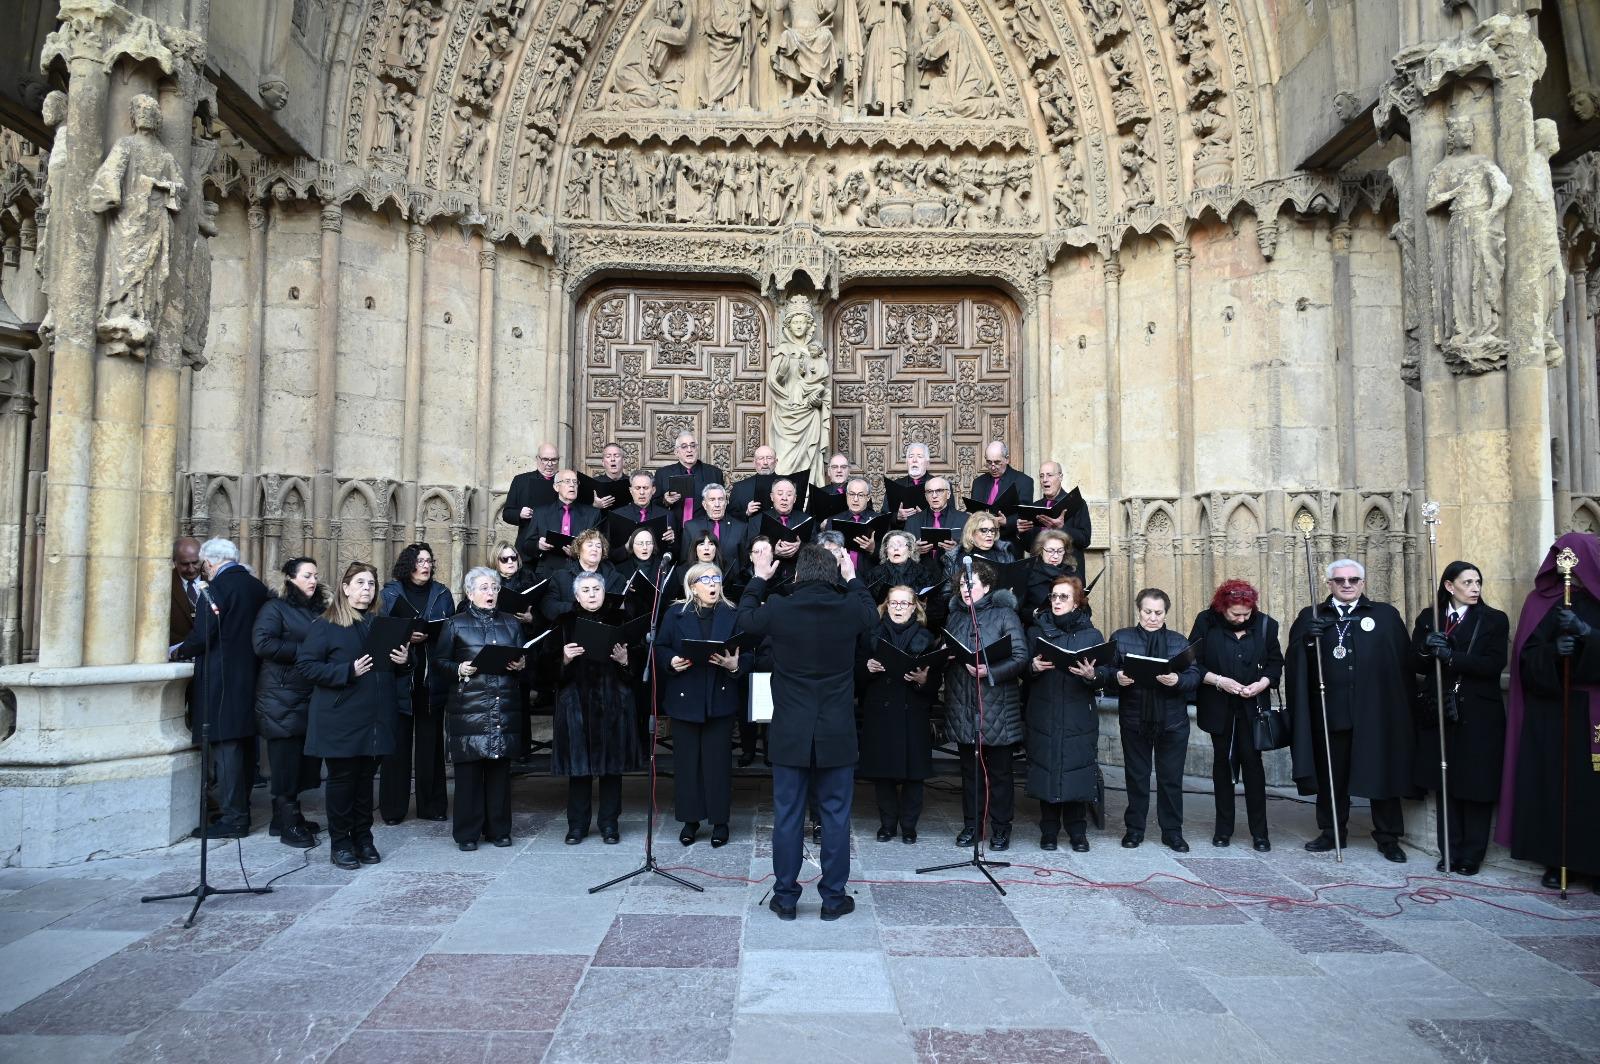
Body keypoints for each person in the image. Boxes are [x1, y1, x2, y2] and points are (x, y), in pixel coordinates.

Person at [737, 543, 877, 920]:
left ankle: (785, 898)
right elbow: (870, 615)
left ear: (797, 574)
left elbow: (746, 621)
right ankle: (833, 899)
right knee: (835, 816)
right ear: (834, 573)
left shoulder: (780, 608)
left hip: (790, 732)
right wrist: (852, 578)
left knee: (787, 816)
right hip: (836, 732)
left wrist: (758, 579)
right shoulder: (850, 608)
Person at [1286, 560, 1415, 862]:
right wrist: (1306, 641)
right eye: (1340, 580)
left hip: (1375, 714)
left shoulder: (1384, 615)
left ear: (1363, 582)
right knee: (1332, 776)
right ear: (1328, 583)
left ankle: (1388, 837)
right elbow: (1292, 664)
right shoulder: (1311, 616)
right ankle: (1332, 832)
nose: (1347, 584)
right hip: (1331, 713)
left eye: (1353, 579)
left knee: (1381, 775)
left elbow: (1402, 665)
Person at [1498, 533, 1600, 890]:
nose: (1563, 562)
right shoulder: (1540, 603)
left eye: (1570, 555)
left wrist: (1587, 635)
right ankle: (1558, 861)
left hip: (1594, 708)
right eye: (1558, 555)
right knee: (1554, 787)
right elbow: (1527, 659)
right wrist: (1555, 652)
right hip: (1553, 711)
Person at [297, 561, 411, 869]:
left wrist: (403, 661)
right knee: (342, 782)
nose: (366, 589)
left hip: (374, 718)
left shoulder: (379, 624)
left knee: (364, 783)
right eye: (360, 582)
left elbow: (390, 671)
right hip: (340, 718)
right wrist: (346, 670)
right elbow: (306, 666)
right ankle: (341, 843)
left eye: (371, 584)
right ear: (345, 588)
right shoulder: (326, 624)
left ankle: (363, 838)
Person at [1412, 560, 1507, 875]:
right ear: (1449, 586)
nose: (1475, 588)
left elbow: (1493, 664)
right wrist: (1427, 649)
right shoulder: (1431, 618)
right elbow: (1416, 663)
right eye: (1467, 583)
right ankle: (1449, 850)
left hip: (1479, 714)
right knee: (1446, 781)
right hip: (1441, 712)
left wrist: (1453, 657)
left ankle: (1472, 854)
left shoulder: (1494, 619)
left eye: (1478, 582)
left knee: (1476, 783)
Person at [172, 537, 271, 839]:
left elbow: (203, 636)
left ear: (212, 562)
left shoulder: (213, 589)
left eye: (203, 564)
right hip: (252, 678)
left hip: (221, 681)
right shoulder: (257, 588)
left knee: (225, 749)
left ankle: (234, 818)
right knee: (242, 747)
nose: (202, 570)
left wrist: (178, 651)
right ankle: (242, 809)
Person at [435, 567, 527, 851]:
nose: (491, 593)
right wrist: (459, 668)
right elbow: (439, 662)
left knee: (500, 772)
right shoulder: (455, 624)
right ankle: (467, 833)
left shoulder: (512, 624)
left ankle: (499, 830)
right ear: (470, 593)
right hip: (469, 706)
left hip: (503, 704)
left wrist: (522, 665)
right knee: (470, 774)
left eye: (495, 588)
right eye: (485, 588)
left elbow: (523, 658)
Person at [942, 557, 1030, 851]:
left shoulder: (1005, 614)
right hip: (963, 705)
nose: (966, 589)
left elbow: (1020, 657)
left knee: (1000, 773)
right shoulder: (955, 616)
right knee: (971, 772)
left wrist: (988, 671)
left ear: (988, 586)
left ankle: (1001, 828)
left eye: (972, 584)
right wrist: (945, 655)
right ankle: (973, 826)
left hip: (997, 706)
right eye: (963, 584)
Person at [1103, 587, 1201, 851]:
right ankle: (1134, 830)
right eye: (1148, 612)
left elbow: (1194, 677)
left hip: (1173, 721)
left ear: (1166, 613)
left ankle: (1172, 832)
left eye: (1158, 613)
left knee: (1171, 779)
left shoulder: (1179, 641)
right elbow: (1106, 671)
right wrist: (1117, 678)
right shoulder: (1121, 638)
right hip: (1135, 719)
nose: (1153, 617)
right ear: (1139, 611)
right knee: (1137, 777)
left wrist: (1178, 680)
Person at [658, 561, 748, 846]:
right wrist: (671, 661)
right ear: (693, 586)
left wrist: (736, 665)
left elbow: (754, 651)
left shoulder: (733, 613)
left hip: (719, 698)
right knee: (686, 764)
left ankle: (720, 822)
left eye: (716, 579)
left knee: (717, 764)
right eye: (705, 579)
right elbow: (660, 647)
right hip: (685, 697)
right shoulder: (675, 613)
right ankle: (690, 821)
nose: (712, 584)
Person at [1190, 579, 1283, 852]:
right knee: (1223, 766)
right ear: (1222, 608)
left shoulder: (1266, 625)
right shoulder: (1206, 622)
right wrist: (1219, 681)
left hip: (1253, 708)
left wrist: (1262, 683)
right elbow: (1193, 661)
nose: (1242, 618)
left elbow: (1276, 663)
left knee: (1254, 768)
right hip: (1219, 706)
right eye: (1235, 614)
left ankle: (1260, 833)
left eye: (1246, 613)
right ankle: (1223, 830)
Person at [554, 571, 644, 843]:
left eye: (597, 589)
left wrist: (626, 660)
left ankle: (609, 825)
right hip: (577, 705)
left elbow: (635, 671)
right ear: (577, 595)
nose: (592, 594)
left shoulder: (621, 621)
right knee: (579, 771)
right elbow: (547, 673)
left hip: (613, 703)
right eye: (586, 590)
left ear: (604, 593)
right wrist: (564, 660)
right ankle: (577, 826)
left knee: (611, 770)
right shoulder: (564, 623)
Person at [252, 556, 328, 849]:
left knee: (299, 761)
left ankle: (280, 818)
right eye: (307, 575)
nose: (313, 580)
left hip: (307, 693)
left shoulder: (318, 610)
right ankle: (290, 823)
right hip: (281, 695)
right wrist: (306, 652)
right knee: (284, 761)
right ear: (290, 579)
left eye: (315, 575)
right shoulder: (275, 608)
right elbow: (263, 644)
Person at [1025, 575, 1105, 851]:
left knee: (1077, 770)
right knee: (1047, 769)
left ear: (1077, 602)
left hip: (1077, 713)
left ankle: (1077, 832)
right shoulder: (1036, 631)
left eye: (1063, 597)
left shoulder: (1091, 634)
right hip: (1044, 710)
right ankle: (1048, 831)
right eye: (1053, 597)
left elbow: (1105, 672)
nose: (1057, 602)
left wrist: (1092, 675)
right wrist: (1032, 667)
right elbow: (1022, 667)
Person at [378, 542, 455, 825]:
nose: (426, 565)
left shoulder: (442, 594)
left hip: (430, 676)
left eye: (429, 561)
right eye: (420, 560)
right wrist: (405, 637)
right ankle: (393, 808)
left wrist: (431, 633)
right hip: (400, 676)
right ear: (408, 563)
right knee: (396, 746)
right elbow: (381, 631)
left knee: (430, 745)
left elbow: (450, 631)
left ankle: (431, 805)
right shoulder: (389, 593)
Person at [858, 585, 941, 843]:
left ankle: (908, 826)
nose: (898, 608)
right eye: (894, 603)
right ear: (886, 605)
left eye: (904, 604)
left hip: (912, 712)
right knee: (884, 773)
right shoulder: (870, 636)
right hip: (880, 712)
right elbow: (854, 676)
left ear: (914, 607)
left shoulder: (927, 638)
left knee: (913, 775)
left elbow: (935, 682)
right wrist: (867, 668)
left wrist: (923, 679)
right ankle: (887, 824)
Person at [1016, 461, 1091, 569]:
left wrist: (1062, 528)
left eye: (1049, 475)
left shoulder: (1077, 503)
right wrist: (1022, 533)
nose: (1044, 479)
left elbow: (1085, 540)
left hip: (1068, 572)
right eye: (1041, 476)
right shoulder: (1035, 507)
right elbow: (1029, 548)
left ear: (1060, 477)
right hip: (1039, 573)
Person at [523, 469, 602, 568]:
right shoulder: (540, 513)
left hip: (580, 571)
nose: (572, 485)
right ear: (556, 487)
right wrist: (538, 545)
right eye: (567, 481)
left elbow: (599, 547)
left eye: (575, 482)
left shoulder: (592, 514)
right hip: (548, 570)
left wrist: (578, 552)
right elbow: (527, 545)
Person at [655, 432, 726, 530]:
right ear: (676, 452)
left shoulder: (714, 473)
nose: (689, 450)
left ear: (697, 449)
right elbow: (653, 506)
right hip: (672, 532)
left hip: (705, 532)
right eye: (684, 447)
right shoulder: (663, 474)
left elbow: (722, 504)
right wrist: (665, 501)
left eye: (693, 446)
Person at [969, 440, 1034, 543]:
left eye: (997, 462)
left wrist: (1007, 522)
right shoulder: (978, 482)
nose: (993, 467)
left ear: (1007, 459)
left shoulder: (1024, 481)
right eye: (989, 462)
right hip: (980, 543)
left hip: (1008, 544)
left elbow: (1026, 514)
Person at [502, 442, 561, 537]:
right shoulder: (521, 481)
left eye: (554, 460)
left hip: (555, 540)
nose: (550, 464)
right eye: (545, 459)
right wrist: (520, 514)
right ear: (537, 458)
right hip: (527, 541)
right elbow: (507, 514)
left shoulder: (566, 482)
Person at [904, 476, 968, 559]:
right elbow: (904, 550)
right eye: (930, 492)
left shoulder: (965, 519)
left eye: (939, 491)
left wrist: (956, 550)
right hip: (921, 569)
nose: (934, 495)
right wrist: (915, 550)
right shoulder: (912, 521)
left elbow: (973, 549)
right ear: (926, 496)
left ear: (948, 494)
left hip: (953, 570)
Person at [684, 482, 749, 562]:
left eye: (721, 499)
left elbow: (745, 561)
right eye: (712, 500)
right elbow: (685, 561)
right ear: (704, 504)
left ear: (726, 503)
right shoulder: (691, 527)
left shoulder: (741, 528)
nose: (717, 504)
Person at [944, 510, 1013, 584]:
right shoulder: (955, 559)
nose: (990, 534)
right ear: (971, 533)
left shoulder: (1005, 555)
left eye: (992, 530)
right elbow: (947, 593)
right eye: (984, 530)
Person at [1020, 528, 1076, 619]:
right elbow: (1019, 611)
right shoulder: (1029, 575)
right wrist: (1034, 614)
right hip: (1039, 627)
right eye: (1050, 551)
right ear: (1041, 551)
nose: (1056, 556)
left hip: (1070, 626)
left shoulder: (1072, 573)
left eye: (1060, 551)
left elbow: (1086, 609)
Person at [886, 442, 933, 523]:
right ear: (907, 462)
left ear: (927, 463)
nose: (914, 460)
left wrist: (924, 516)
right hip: (902, 533)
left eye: (919, 456)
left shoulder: (940, 485)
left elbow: (949, 515)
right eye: (911, 457)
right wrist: (897, 516)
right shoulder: (895, 485)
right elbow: (884, 514)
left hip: (928, 534)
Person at [169, 535, 202, 649]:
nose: (191, 569)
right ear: (175, 562)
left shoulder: (215, 581)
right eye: (185, 564)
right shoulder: (165, 583)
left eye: (195, 562)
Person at [729, 443, 779, 517]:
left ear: (776, 461)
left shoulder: (788, 484)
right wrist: (746, 513)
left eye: (769, 458)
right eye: (761, 458)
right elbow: (730, 516)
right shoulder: (739, 488)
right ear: (754, 463)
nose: (765, 462)